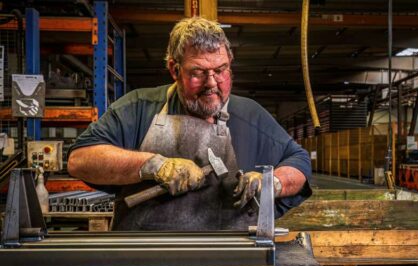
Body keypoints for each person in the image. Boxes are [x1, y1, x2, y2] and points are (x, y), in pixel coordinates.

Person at [67, 17, 312, 231]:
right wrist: (154, 165)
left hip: (230, 258)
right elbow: (79, 161)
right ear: (174, 69)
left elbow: (299, 163)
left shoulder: (250, 113)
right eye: (198, 72)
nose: (212, 83)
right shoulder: (139, 107)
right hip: (144, 258)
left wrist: (272, 183)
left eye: (221, 70)